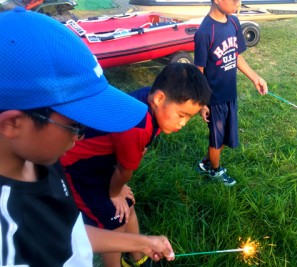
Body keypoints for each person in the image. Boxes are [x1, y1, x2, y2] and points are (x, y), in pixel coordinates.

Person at [0, 8, 174, 267]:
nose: (81, 137)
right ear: (13, 124)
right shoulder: (8, 235)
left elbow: (65, 231)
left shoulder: (42, 160)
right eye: (75, 125)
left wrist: (142, 242)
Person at [60, 63, 211, 267]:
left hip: (104, 162)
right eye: (181, 115)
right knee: (113, 221)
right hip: (79, 168)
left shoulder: (149, 103)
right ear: (159, 98)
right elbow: (124, 170)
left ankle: (138, 259)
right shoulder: (137, 126)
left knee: (128, 207)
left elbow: (134, 155)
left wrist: (120, 189)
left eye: (188, 118)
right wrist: (115, 192)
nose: (183, 123)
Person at [194, 0, 268, 186]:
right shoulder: (205, 32)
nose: (238, 3)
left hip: (230, 93)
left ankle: (207, 162)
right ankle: (215, 170)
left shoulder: (234, 22)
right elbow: (199, 71)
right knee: (217, 139)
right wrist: (202, 102)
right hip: (214, 98)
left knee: (226, 136)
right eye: (233, 0)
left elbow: (236, 55)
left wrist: (255, 78)